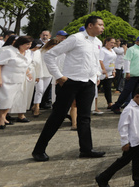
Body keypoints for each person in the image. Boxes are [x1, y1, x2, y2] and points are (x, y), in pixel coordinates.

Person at [32, 15, 106, 161]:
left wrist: (96, 75)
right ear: (90, 25)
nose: (103, 27)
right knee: (57, 116)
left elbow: (95, 61)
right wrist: (59, 76)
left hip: (88, 83)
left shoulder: (97, 42)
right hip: (71, 82)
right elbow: (50, 55)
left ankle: (86, 149)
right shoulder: (76, 38)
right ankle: (39, 150)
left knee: (84, 117)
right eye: (100, 25)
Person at [95, 84, 139, 187]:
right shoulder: (129, 110)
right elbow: (122, 127)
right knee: (123, 161)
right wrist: (124, 142)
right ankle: (103, 177)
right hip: (133, 142)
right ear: (137, 96)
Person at [0, 35, 34, 128]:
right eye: (27, 44)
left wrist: (28, 74)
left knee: (12, 100)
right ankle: (1, 119)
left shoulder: (28, 53)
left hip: (19, 79)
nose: (29, 46)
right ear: (20, 44)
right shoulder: (9, 51)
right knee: (5, 99)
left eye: (30, 44)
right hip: (7, 79)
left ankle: (4, 117)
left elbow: (26, 65)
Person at [111, 36, 139, 114]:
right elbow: (127, 60)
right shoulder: (132, 49)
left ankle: (133, 107)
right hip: (132, 75)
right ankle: (117, 105)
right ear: (137, 42)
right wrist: (127, 72)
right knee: (127, 91)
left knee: (136, 93)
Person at [32, 40, 58, 116]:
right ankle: (37, 108)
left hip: (48, 74)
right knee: (39, 90)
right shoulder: (40, 51)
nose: (53, 48)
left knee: (42, 91)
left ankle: (35, 105)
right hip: (39, 73)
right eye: (52, 46)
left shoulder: (55, 53)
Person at [98, 37, 117, 111]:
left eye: (114, 43)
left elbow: (113, 61)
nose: (113, 44)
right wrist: (104, 70)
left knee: (108, 88)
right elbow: (100, 61)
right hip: (102, 73)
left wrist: (114, 70)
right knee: (97, 88)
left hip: (110, 72)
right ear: (107, 42)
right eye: (111, 42)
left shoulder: (112, 50)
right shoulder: (102, 50)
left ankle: (110, 103)